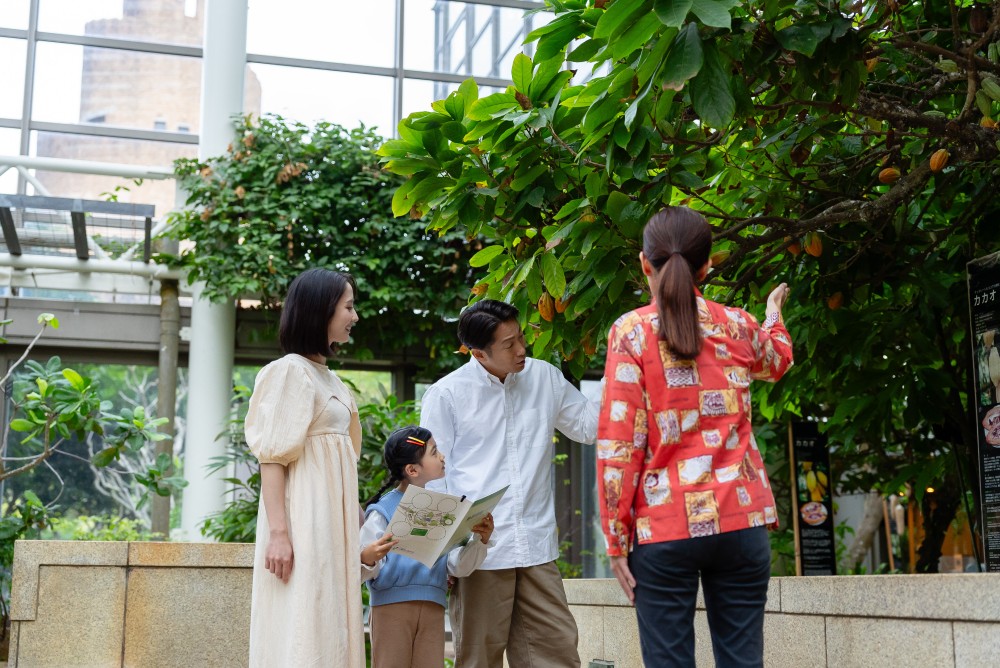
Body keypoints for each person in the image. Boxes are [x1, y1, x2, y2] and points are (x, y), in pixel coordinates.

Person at [598, 207, 793, 668]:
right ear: (708, 265)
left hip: (664, 529)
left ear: (644, 262)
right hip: (740, 520)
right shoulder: (738, 325)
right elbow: (778, 360)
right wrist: (773, 316)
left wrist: (615, 540)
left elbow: (620, 446)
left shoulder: (631, 332)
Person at [420, 299, 598, 668]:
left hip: (536, 547)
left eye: (520, 338)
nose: (521, 350)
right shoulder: (447, 394)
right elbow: (431, 480)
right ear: (479, 353)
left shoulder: (544, 377)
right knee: (478, 660)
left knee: (559, 654)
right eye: (508, 344)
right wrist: (446, 558)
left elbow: (588, 426)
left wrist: (623, 373)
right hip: (480, 552)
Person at [245, 268, 364, 667]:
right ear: (320, 310)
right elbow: (273, 458)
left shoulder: (331, 379)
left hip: (330, 527)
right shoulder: (289, 372)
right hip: (303, 525)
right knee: (305, 622)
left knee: (330, 624)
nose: (355, 316)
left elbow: (343, 456)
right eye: (348, 307)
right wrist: (279, 534)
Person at [360, 426, 495, 668]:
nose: (442, 456)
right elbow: (364, 564)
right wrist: (367, 557)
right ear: (412, 470)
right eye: (434, 452)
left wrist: (480, 541)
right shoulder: (382, 511)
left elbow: (456, 566)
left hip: (433, 607)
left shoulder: (444, 510)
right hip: (391, 609)